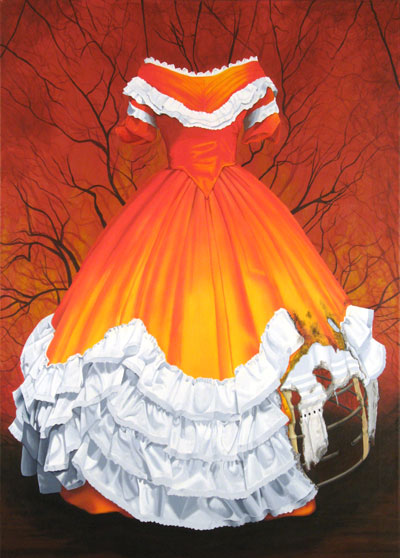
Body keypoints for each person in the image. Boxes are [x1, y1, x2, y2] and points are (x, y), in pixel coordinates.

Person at [9, 56, 385, 530]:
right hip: (188, 209)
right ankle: (147, 485)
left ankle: (254, 478)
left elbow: (140, 135)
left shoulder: (245, 83)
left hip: (219, 208)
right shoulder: (158, 83)